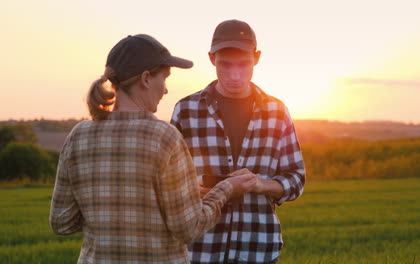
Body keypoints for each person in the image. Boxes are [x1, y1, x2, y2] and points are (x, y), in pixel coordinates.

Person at [49, 34, 256, 264]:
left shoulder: (78, 136)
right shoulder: (164, 137)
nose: (166, 90)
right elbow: (189, 228)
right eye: (164, 78)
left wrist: (108, 214)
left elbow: (62, 222)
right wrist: (226, 189)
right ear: (146, 79)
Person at [170, 20, 306, 264]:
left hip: (257, 249)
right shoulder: (186, 110)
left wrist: (259, 184)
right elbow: (167, 182)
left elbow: (296, 179)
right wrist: (197, 191)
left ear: (257, 58)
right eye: (225, 64)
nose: (234, 75)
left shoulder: (277, 111)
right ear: (212, 59)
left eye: (244, 64)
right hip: (199, 250)